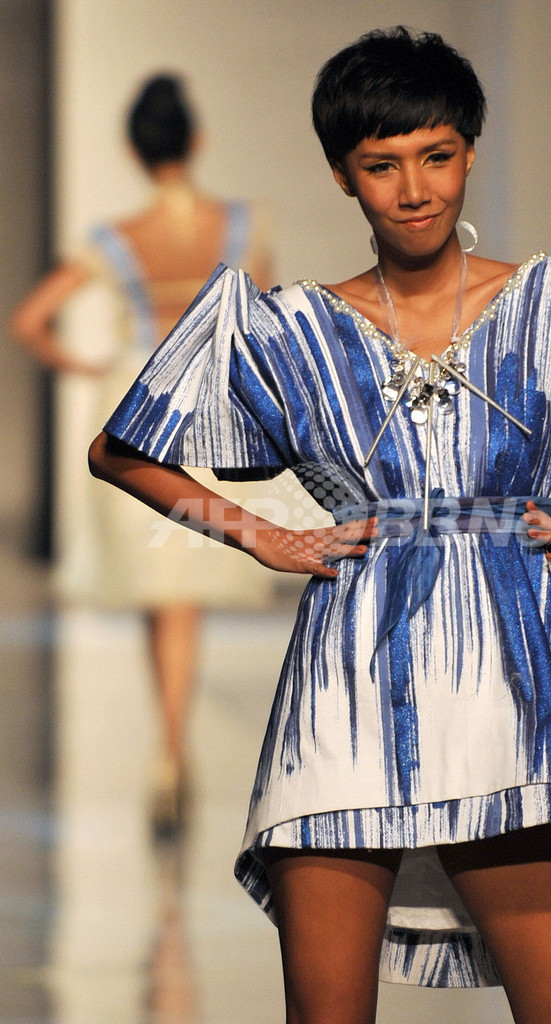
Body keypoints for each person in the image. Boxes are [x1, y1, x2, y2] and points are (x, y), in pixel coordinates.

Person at [87, 27, 551, 1024]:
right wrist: (261, 535)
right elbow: (120, 449)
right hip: (343, 693)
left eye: (436, 155)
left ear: (470, 153)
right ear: (342, 176)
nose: (414, 189)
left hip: (508, 695)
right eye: (382, 165)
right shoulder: (294, 330)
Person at [11, 73, 274, 839]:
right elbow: (259, 318)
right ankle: (171, 744)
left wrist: (90, 366)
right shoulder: (241, 227)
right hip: (210, 402)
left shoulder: (114, 239)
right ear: (198, 140)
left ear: (133, 149)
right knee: (183, 589)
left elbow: (31, 321)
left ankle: (168, 748)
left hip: (137, 402)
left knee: (160, 593)